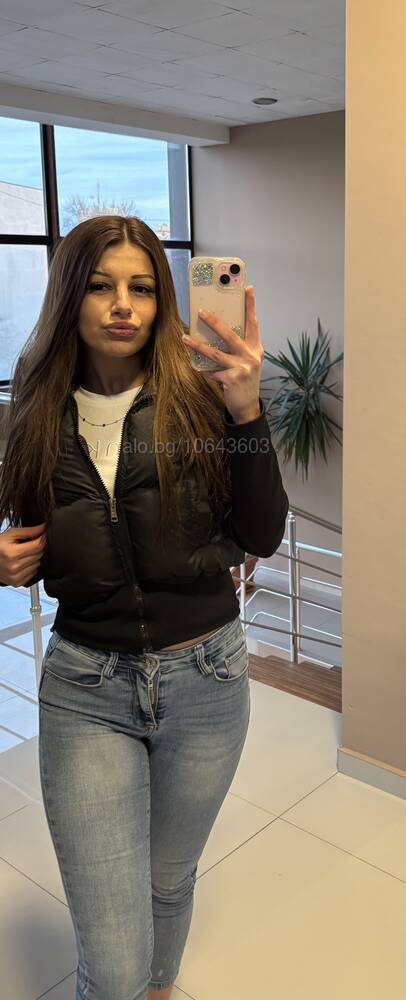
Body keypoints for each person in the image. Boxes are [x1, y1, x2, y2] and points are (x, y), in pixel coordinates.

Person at [0, 215, 289, 1000]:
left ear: (163, 299)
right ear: (70, 296)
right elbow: (20, 521)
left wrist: (247, 412)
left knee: (167, 882)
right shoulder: (33, 406)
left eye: (141, 287)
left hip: (207, 679)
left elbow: (262, 533)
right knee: (114, 955)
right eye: (101, 286)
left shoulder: (201, 397)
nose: (123, 304)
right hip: (85, 687)